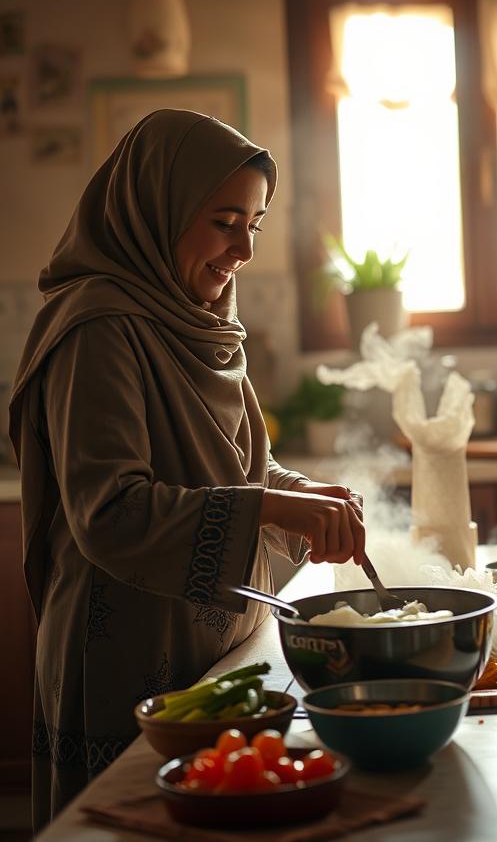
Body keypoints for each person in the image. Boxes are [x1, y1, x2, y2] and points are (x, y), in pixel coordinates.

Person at [8, 110, 366, 828]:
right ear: (156, 208)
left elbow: (244, 468)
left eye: (254, 224)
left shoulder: (206, 325)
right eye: (223, 221)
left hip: (207, 644)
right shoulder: (101, 328)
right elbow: (109, 511)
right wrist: (271, 508)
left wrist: (303, 492)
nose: (243, 249)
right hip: (122, 647)